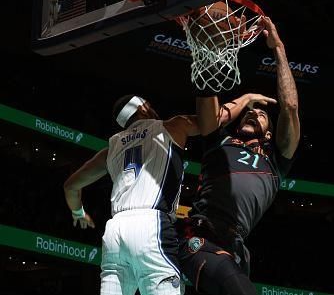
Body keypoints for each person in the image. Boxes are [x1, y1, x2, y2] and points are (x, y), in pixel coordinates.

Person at [178, 16, 300, 295]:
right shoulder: (218, 142)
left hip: (235, 248)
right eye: (249, 111)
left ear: (269, 134)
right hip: (200, 235)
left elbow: (290, 105)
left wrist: (278, 47)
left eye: (261, 114)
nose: (253, 112)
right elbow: (207, 97)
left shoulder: (276, 161)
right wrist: (211, 46)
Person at [63, 94, 199, 295]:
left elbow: (70, 186)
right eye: (149, 105)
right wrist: (244, 100)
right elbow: (211, 120)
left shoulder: (111, 148)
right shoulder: (171, 126)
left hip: (115, 230)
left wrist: (78, 213)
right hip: (151, 224)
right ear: (143, 108)